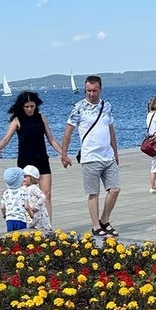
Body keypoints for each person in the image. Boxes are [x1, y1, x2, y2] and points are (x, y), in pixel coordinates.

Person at [59, 75, 121, 237]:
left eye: (94, 90)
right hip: (90, 157)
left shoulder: (106, 106)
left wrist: (115, 152)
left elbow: (111, 130)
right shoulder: (79, 107)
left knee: (114, 189)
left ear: (100, 89)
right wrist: (64, 154)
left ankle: (104, 220)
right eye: (88, 91)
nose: (91, 94)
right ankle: (96, 226)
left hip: (107, 156)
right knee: (94, 193)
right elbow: (68, 131)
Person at [0, 91, 64, 220]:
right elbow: (6, 138)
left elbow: (51, 139)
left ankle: (48, 225)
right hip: (26, 162)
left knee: (46, 194)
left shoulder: (41, 118)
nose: (30, 109)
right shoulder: (17, 120)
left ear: (36, 105)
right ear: (22, 107)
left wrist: (64, 154)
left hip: (42, 159)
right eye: (26, 107)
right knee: (27, 195)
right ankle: (30, 222)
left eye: (32, 106)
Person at [21, 165, 52, 231]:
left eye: (25, 177)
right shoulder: (24, 188)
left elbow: (42, 197)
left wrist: (36, 207)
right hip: (30, 210)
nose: (23, 179)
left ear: (32, 178)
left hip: (36, 210)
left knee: (40, 225)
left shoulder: (33, 188)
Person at [0, 167, 28, 232]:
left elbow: (2, 207)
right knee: (21, 238)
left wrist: (4, 214)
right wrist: (31, 214)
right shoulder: (23, 191)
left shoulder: (6, 192)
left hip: (9, 219)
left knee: (11, 238)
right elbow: (27, 206)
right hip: (21, 219)